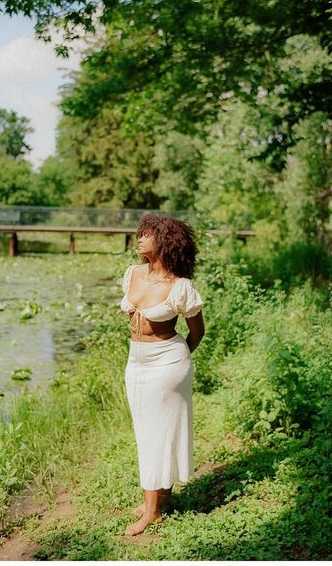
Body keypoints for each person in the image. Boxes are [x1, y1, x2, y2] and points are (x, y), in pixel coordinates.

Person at [120, 213, 205, 536]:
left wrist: (176, 360)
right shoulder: (133, 274)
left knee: (157, 433)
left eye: (146, 235)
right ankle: (160, 496)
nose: (139, 239)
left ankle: (152, 510)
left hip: (168, 362)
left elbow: (196, 331)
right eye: (139, 234)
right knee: (147, 429)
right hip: (136, 360)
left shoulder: (180, 287)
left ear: (165, 241)